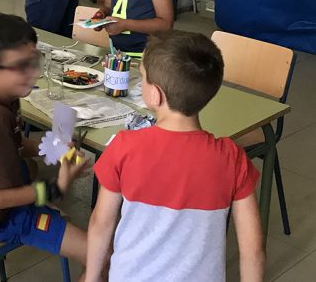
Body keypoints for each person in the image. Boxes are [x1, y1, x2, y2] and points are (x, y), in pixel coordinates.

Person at [86, 31, 265, 282]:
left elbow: (100, 225)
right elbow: (252, 251)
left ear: (155, 95)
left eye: (144, 78)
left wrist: (92, 278)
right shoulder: (231, 157)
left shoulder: (124, 146)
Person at [0, 13, 94, 277]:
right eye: (19, 66)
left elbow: (14, 144)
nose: (32, 73)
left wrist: (54, 148)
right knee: (100, 254)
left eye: (33, 62)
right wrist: (55, 189)